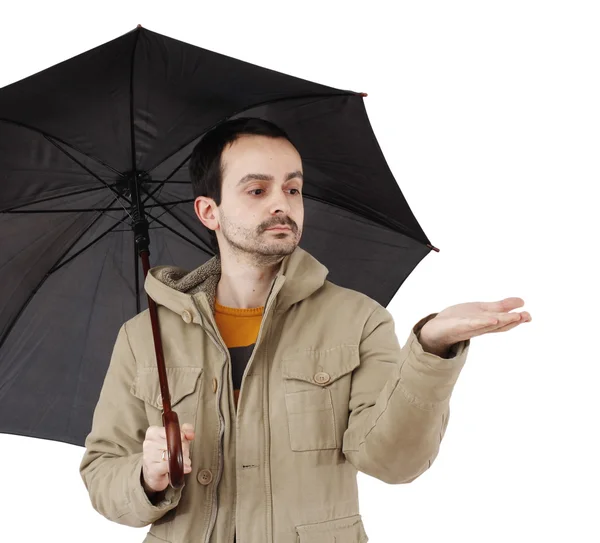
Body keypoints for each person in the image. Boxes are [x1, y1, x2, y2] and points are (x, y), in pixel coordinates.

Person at [79, 117, 530, 543]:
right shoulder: (145, 337)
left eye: (292, 188)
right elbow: (102, 471)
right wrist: (146, 476)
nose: (282, 203)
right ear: (209, 211)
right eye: (257, 189)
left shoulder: (358, 320)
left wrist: (431, 349)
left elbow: (395, 462)